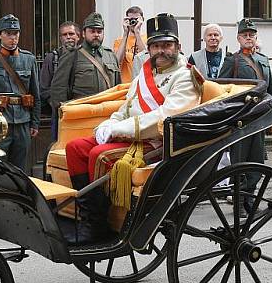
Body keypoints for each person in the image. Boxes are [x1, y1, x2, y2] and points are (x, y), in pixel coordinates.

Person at [65, 13, 201, 243]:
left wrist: (118, 130)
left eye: (166, 45)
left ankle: (99, 224)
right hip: (130, 135)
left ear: (178, 46)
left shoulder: (186, 76)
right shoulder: (143, 76)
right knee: (75, 148)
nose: (161, 51)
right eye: (155, 46)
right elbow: (127, 108)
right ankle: (88, 216)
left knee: (99, 154)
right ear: (149, 48)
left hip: (158, 142)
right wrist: (109, 123)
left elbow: (164, 117)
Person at [218, 18, 272, 214]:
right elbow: (222, 89)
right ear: (238, 38)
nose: (248, 38)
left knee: (257, 162)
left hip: (260, 119)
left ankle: (250, 201)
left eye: (251, 35)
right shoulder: (232, 61)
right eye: (245, 35)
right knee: (240, 163)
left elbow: (271, 89)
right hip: (241, 120)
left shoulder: (264, 60)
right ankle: (239, 203)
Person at [0, 14, 41, 172]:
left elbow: (36, 94)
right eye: (8, 33)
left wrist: (35, 122)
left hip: (23, 121)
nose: (12, 38)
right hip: (0, 120)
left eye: (16, 33)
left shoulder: (29, 59)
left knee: (19, 168)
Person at [50, 12, 120, 114]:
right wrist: (64, 114)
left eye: (99, 31)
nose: (96, 34)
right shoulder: (72, 55)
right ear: (83, 33)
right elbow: (59, 89)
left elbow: (118, 87)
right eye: (92, 31)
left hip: (107, 113)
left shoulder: (111, 56)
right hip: (81, 113)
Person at [39, 21, 80, 139]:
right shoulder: (52, 58)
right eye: (64, 34)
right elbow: (44, 88)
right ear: (60, 38)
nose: (68, 37)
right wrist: (56, 104)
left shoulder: (84, 57)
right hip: (60, 112)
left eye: (71, 34)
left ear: (78, 36)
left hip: (80, 109)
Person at [112, 6, 147, 83]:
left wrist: (137, 32)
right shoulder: (119, 41)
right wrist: (125, 33)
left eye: (136, 19)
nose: (133, 22)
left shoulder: (148, 39)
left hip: (143, 83)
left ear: (142, 20)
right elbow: (117, 62)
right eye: (131, 19)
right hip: (126, 85)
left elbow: (146, 59)